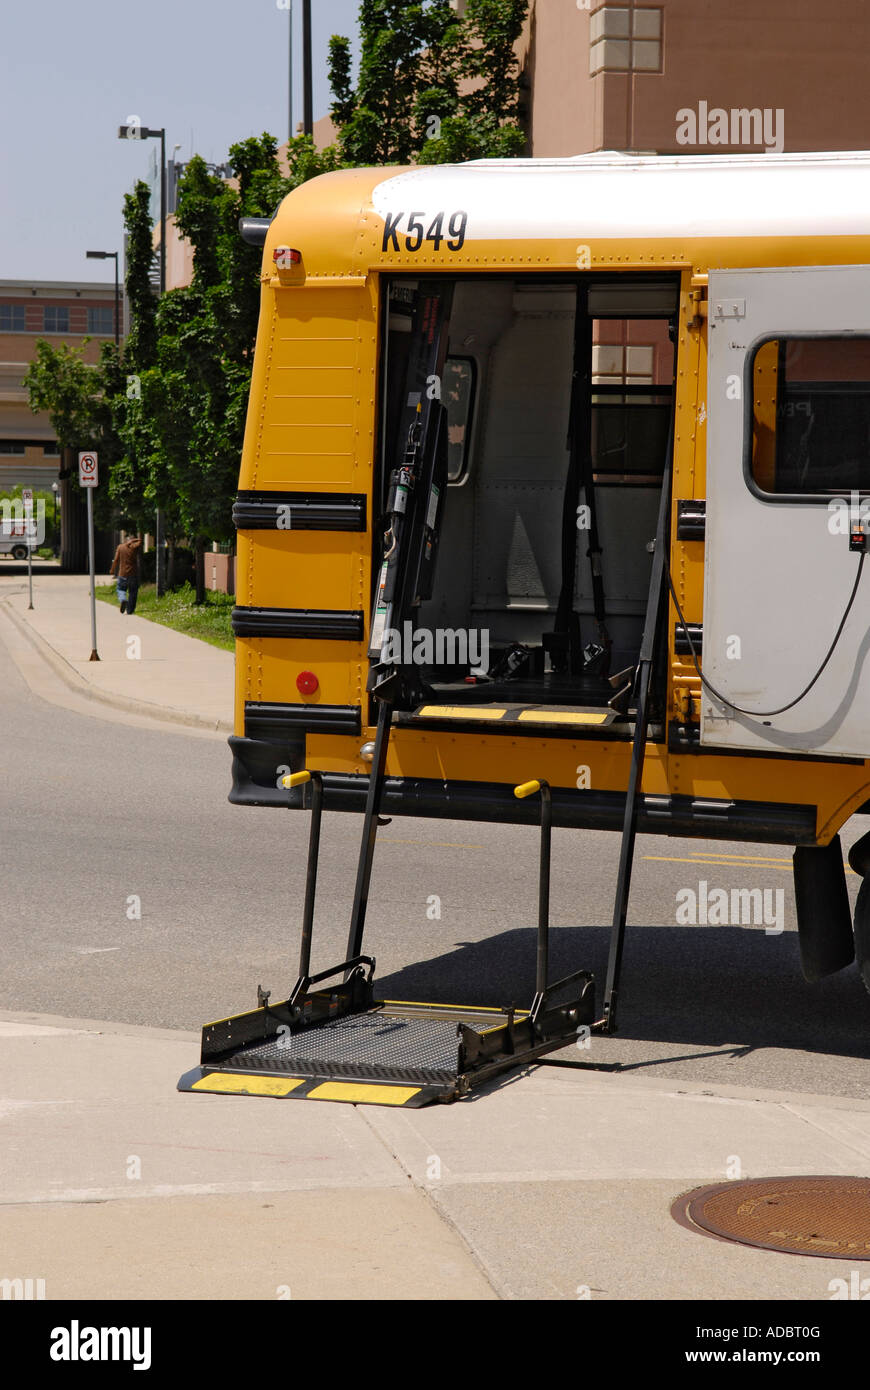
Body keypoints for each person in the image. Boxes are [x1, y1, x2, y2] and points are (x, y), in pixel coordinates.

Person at [109, 533, 142, 614]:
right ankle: (130, 610)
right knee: (133, 592)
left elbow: (116, 559)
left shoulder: (120, 547)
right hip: (133, 574)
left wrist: (112, 569)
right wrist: (133, 540)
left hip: (122, 574)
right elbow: (140, 541)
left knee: (120, 589)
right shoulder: (134, 547)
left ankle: (123, 599)